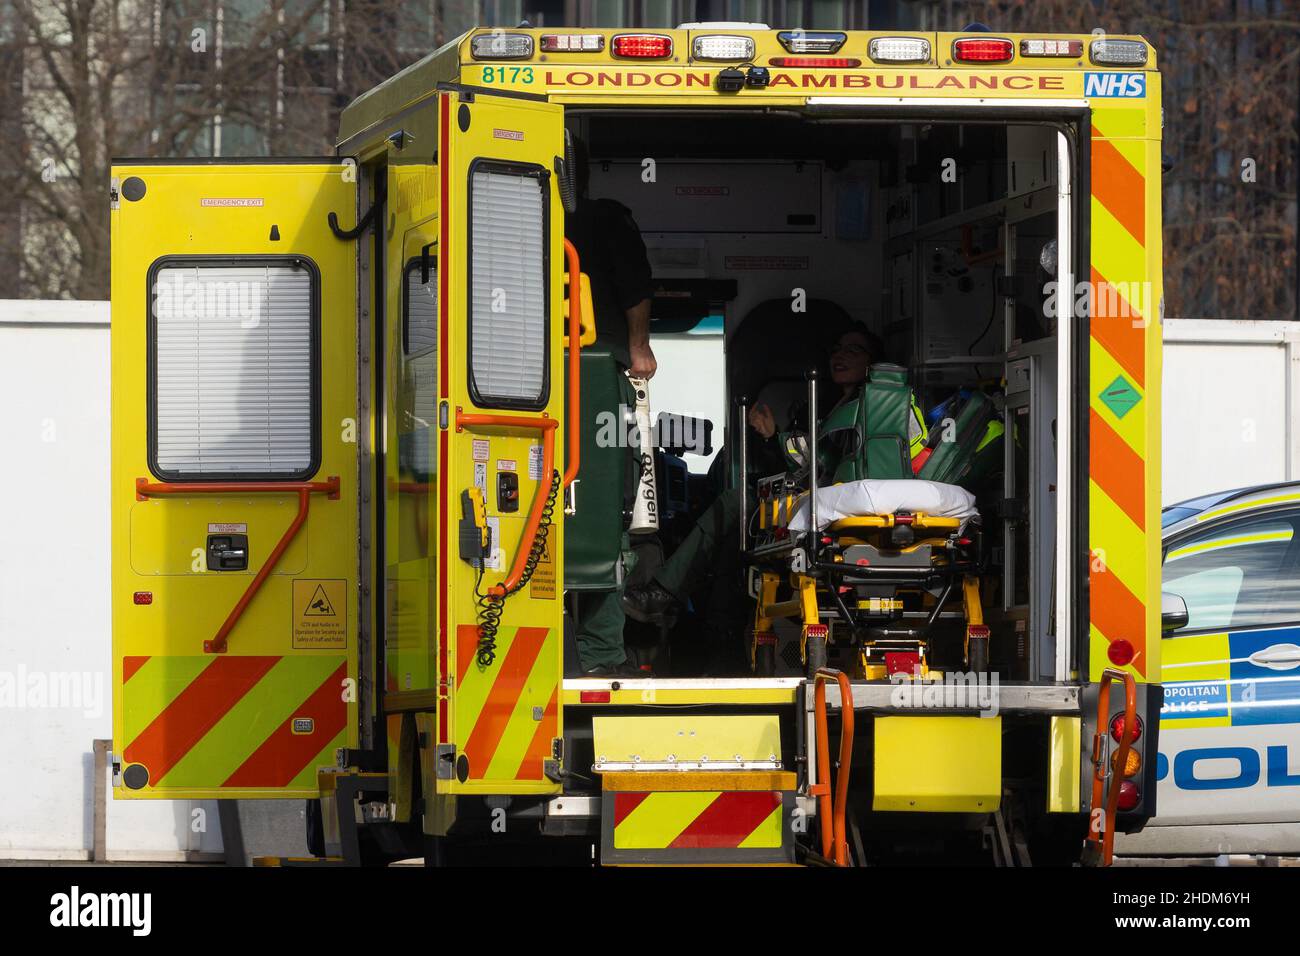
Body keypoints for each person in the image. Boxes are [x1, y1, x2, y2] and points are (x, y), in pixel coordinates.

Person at [622, 324, 926, 629]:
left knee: (733, 502)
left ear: (872, 362)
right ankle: (708, 631)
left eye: (853, 349)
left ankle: (663, 596)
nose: (840, 356)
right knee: (731, 537)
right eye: (836, 350)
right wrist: (773, 436)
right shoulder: (842, 407)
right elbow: (818, 460)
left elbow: (823, 463)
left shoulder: (872, 408)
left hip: (833, 507)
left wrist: (775, 437)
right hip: (821, 500)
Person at [565, 134, 656, 677]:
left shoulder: (506, 209)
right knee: (608, 512)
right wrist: (640, 347)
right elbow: (636, 288)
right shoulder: (608, 220)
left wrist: (636, 349)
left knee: (563, 515)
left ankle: (593, 653)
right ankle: (600, 658)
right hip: (598, 379)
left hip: (531, 384)